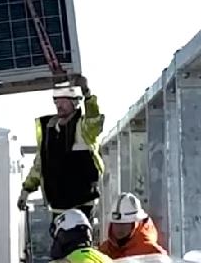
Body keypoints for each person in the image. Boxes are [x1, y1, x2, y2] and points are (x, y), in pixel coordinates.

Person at [17, 75, 105, 220]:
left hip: (82, 206)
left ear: (75, 103)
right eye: (56, 100)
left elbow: (94, 119)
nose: (59, 104)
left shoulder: (83, 128)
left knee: (79, 242)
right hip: (57, 206)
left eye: (64, 100)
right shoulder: (48, 129)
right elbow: (40, 164)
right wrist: (26, 189)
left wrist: (87, 93)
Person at [98, 192, 167, 259]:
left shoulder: (152, 253)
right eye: (116, 223)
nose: (119, 228)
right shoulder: (104, 250)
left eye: (124, 223)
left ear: (135, 223)